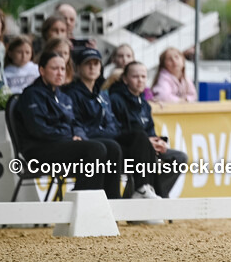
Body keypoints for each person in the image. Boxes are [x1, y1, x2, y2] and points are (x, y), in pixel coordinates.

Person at [18, 51, 122, 197]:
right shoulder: (32, 95)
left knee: (112, 148)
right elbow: (39, 129)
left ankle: (112, 203)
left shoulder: (63, 97)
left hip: (62, 144)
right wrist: (69, 137)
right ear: (42, 71)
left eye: (63, 69)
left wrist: (79, 135)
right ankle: (83, 201)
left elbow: (75, 123)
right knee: (95, 149)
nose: (60, 73)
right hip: (39, 149)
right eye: (54, 68)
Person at [64, 48, 161, 200]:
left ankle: (144, 189)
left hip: (108, 137)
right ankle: (116, 197)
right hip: (92, 140)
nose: (92, 67)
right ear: (78, 68)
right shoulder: (72, 93)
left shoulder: (102, 94)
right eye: (87, 64)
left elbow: (112, 123)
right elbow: (77, 125)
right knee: (114, 146)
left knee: (140, 138)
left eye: (96, 63)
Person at [111, 61, 189, 198]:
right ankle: (146, 193)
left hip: (147, 147)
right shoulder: (115, 99)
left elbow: (150, 130)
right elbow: (115, 131)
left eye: (143, 76)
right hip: (127, 149)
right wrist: (147, 142)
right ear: (125, 79)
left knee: (179, 158)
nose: (140, 80)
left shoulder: (145, 103)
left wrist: (159, 142)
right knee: (146, 151)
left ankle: (155, 194)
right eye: (135, 76)